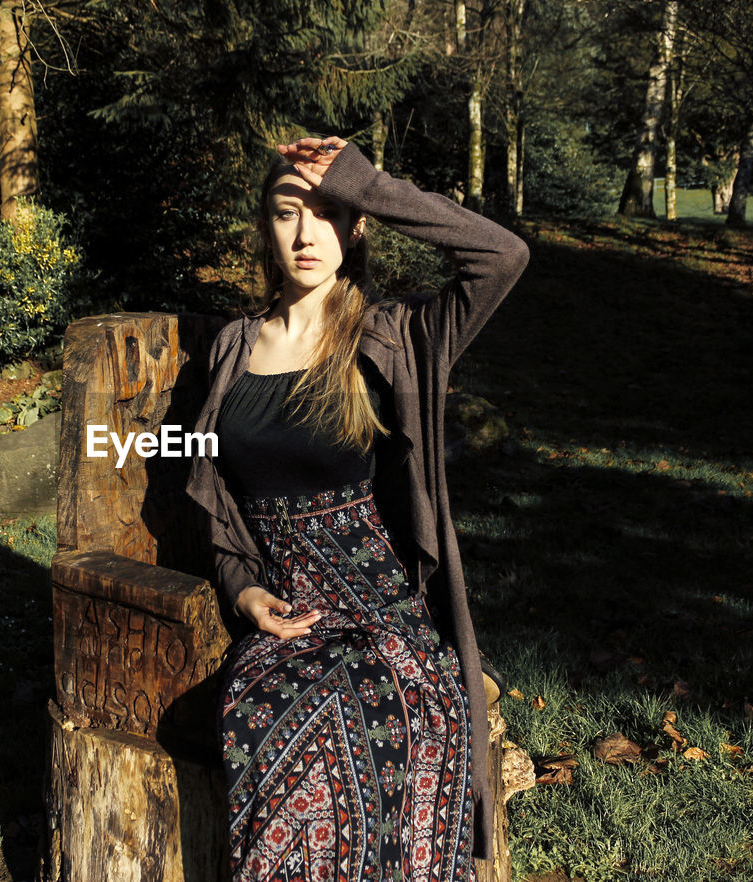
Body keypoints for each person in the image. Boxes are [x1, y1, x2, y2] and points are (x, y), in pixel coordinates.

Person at [185, 135, 529, 881]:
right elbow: (210, 493)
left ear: (358, 226)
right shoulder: (232, 349)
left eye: (330, 214)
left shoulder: (397, 337)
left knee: (379, 714)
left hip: (385, 614)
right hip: (289, 616)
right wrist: (241, 587)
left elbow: (501, 256)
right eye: (287, 214)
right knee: (268, 709)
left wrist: (366, 182)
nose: (306, 236)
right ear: (265, 228)